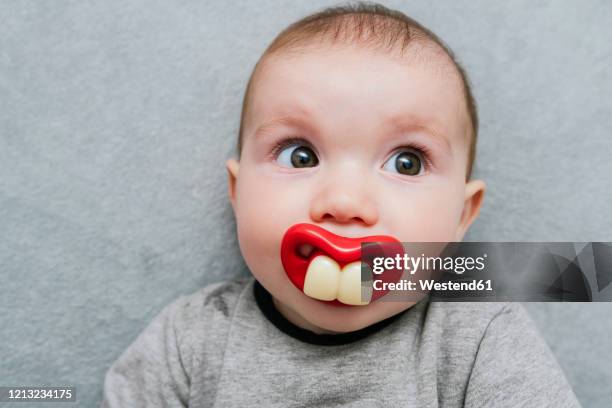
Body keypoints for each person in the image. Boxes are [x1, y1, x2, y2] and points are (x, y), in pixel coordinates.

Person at [101, 2, 581, 406]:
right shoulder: (189, 342)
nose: (345, 202)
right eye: (300, 155)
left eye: (407, 163)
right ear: (237, 191)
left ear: (461, 215)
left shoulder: (478, 338)